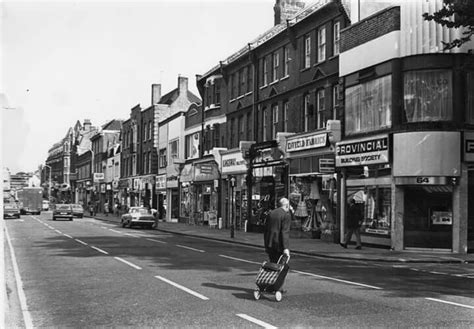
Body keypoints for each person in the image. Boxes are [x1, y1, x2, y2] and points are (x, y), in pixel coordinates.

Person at [264, 197, 291, 263]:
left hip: (270, 243)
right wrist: (286, 248)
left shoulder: (271, 213)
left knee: (272, 263)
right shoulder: (286, 215)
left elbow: (266, 230)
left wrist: (266, 244)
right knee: (280, 266)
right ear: (287, 205)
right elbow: (284, 232)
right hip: (279, 245)